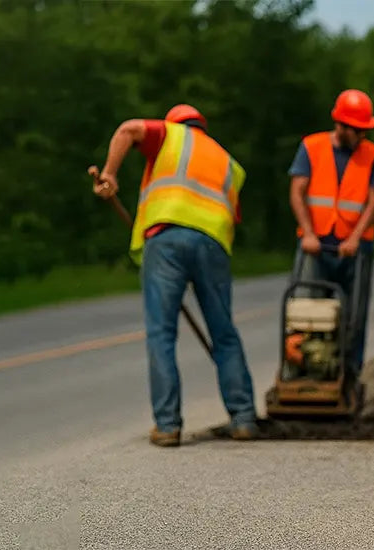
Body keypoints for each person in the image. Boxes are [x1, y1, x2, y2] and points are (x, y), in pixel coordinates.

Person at [92, 104, 259, 447]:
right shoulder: (228, 162)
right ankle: (243, 417)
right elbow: (232, 216)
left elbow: (127, 129)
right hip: (212, 244)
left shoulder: (170, 135)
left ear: (175, 123)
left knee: (162, 335)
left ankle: (168, 426)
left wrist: (110, 173)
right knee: (224, 333)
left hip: (167, 241)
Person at [287, 89, 374, 400]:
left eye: (364, 130)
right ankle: (298, 370)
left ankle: (348, 375)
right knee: (302, 311)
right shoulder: (311, 147)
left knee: (354, 315)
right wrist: (309, 234)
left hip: (355, 249)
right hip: (316, 245)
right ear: (340, 125)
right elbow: (297, 192)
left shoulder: (372, 154)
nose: (360, 136)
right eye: (356, 129)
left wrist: (355, 237)